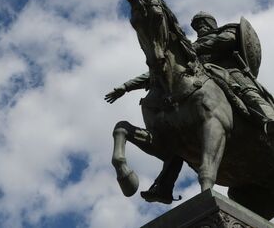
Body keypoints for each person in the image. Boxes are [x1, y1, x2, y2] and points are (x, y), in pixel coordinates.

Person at [105, 11, 274, 204]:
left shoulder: (225, 32)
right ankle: (164, 185)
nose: (200, 27)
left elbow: (228, 40)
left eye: (203, 23)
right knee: (176, 132)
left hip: (227, 72)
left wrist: (193, 48)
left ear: (211, 23)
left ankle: (268, 119)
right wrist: (126, 87)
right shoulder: (189, 54)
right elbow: (157, 70)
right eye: (196, 25)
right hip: (200, 74)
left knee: (247, 91)